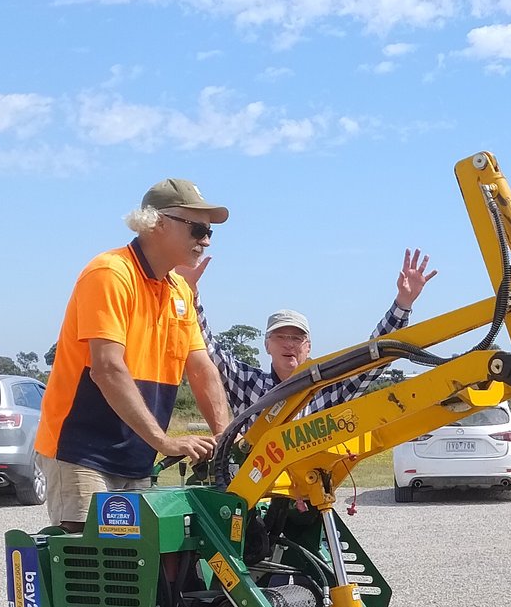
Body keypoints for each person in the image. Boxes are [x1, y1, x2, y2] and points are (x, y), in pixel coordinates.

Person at [34, 178, 233, 530]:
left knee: (136, 572)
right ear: (158, 223)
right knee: (91, 566)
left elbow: (201, 368)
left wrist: (227, 435)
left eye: (209, 233)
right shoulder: (111, 274)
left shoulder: (179, 292)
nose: (204, 239)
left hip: (136, 454)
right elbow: (107, 369)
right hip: (82, 452)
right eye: (198, 228)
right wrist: (163, 441)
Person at [208, 249, 439, 420]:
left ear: (308, 346)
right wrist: (190, 294)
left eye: (296, 338)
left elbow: (374, 357)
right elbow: (208, 350)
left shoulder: (328, 389)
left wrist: (403, 303)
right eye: (280, 337)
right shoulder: (248, 384)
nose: (289, 344)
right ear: (267, 345)